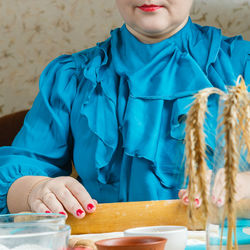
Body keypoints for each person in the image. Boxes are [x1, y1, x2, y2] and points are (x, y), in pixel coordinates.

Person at [0, 0, 249, 219]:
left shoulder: (243, 63)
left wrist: (243, 183)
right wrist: (35, 191)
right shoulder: (71, 77)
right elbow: (22, 166)